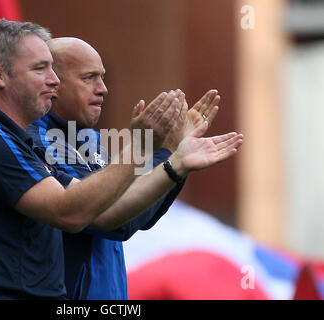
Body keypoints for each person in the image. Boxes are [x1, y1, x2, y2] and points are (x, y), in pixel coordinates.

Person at [0, 19, 243, 300]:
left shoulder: (38, 139)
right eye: (41, 69)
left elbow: (114, 212)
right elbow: (83, 214)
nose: (52, 81)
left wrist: (175, 162)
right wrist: (147, 149)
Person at [27, 37, 229, 299]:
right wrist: (167, 156)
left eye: (102, 77)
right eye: (89, 78)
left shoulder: (91, 141)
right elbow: (116, 221)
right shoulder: (35, 142)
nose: (103, 89)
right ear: (53, 85)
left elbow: (137, 216)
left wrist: (174, 155)